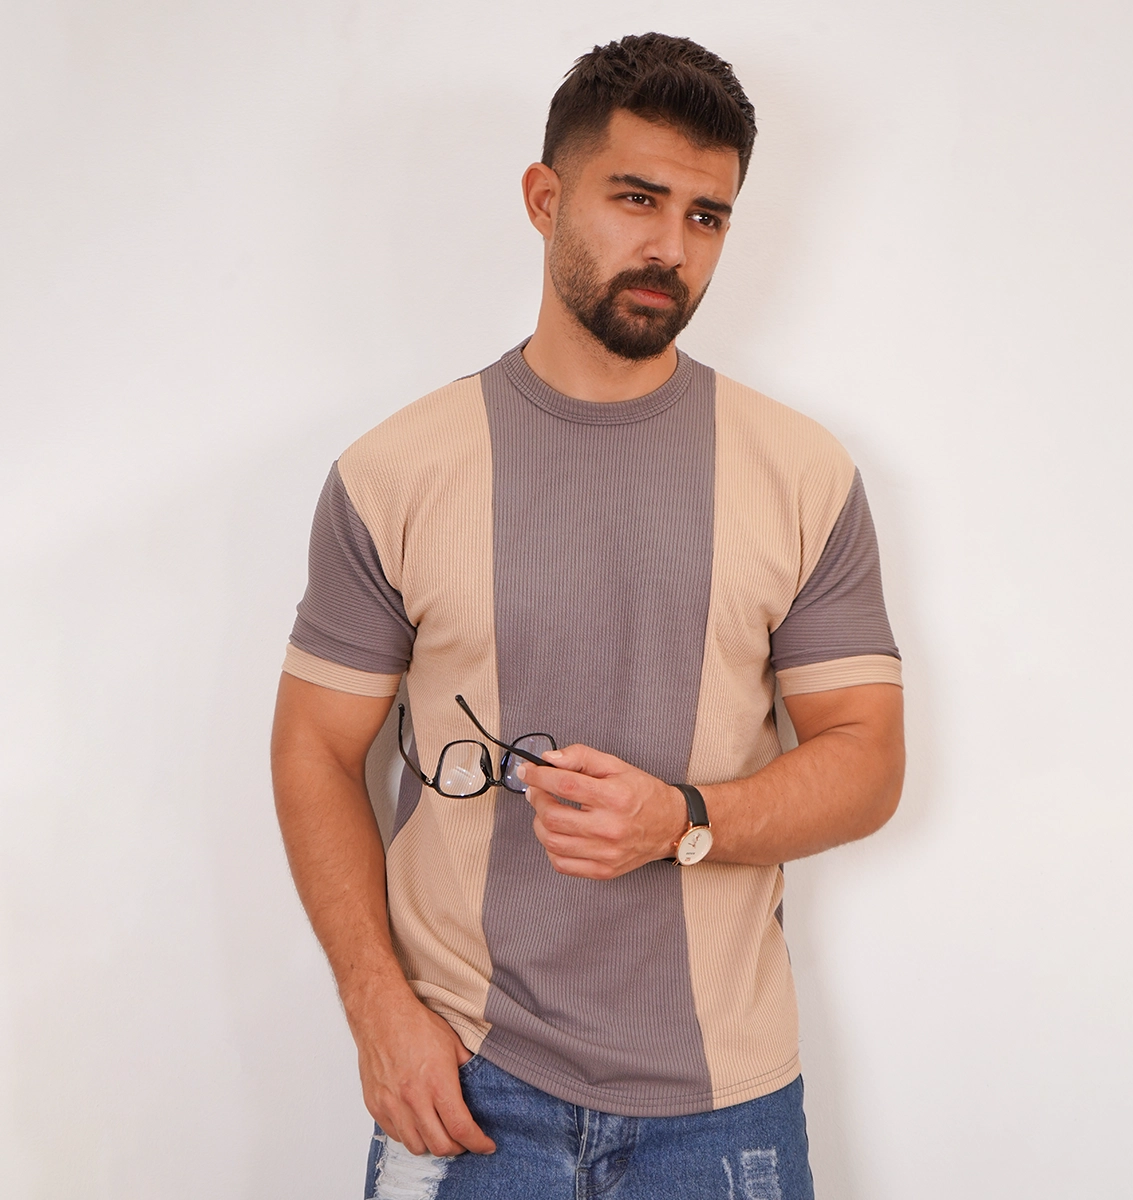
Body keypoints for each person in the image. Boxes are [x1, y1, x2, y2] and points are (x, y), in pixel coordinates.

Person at [271, 32, 904, 1200]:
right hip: (465, 1081)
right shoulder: (394, 473)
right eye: (636, 198)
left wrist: (684, 819)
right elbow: (315, 746)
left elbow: (867, 760)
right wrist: (377, 1011)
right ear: (545, 198)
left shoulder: (803, 474)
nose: (671, 247)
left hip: (724, 1103)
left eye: (707, 216)